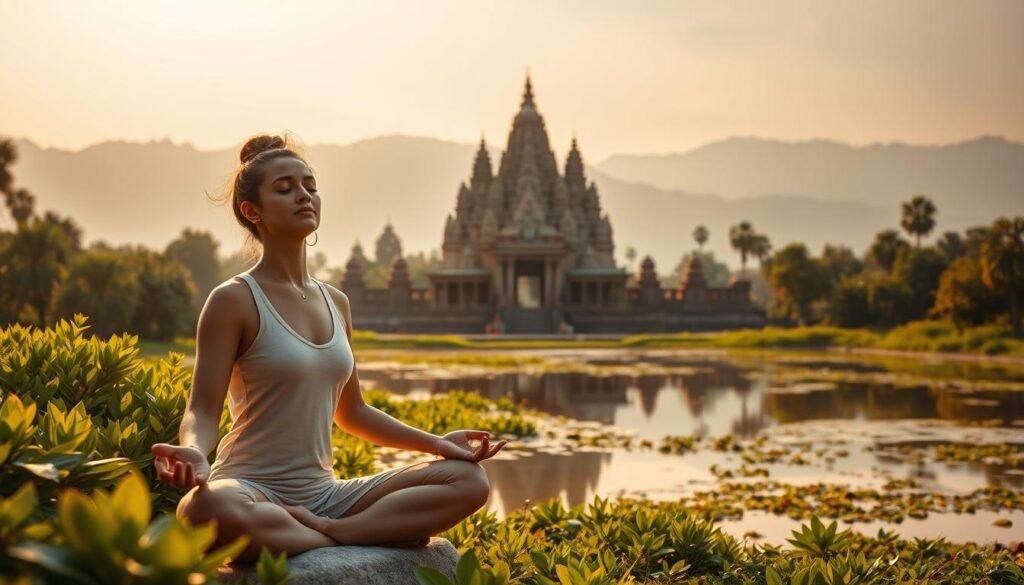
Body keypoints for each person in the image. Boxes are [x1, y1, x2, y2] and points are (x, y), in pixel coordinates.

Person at [150, 135, 506, 564]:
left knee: (469, 481)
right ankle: (354, 536)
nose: (304, 196)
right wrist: (192, 449)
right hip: (250, 488)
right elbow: (202, 411)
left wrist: (439, 446)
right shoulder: (233, 299)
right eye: (284, 188)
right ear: (252, 211)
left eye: (310, 186)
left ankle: (334, 531)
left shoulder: (336, 301)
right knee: (205, 509)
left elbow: (353, 412)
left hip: (326, 496)